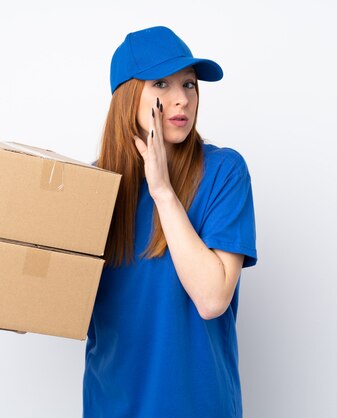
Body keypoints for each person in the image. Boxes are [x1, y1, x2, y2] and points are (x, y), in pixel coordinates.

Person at [83, 26, 258, 418]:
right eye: (162, 83)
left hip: (198, 406)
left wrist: (162, 191)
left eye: (190, 85)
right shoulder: (93, 188)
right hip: (112, 405)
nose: (181, 99)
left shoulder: (224, 172)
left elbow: (213, 299)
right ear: (128, 97)